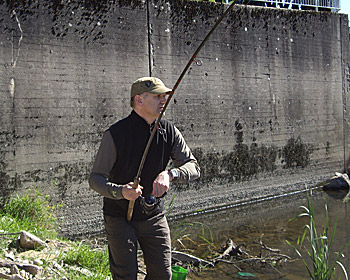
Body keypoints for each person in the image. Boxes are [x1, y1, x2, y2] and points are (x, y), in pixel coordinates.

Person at [89, 77, 200, 280]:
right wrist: (120, 191)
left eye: (164, 96)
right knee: (125, 275)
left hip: (153, 215)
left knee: (162, 275)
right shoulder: (115, 134)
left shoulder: (170, 131)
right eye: (158, 96)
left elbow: (193, 167)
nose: (163, 100)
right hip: (118, 216)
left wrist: (171, 174)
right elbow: (95, 179)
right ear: (139, 100)